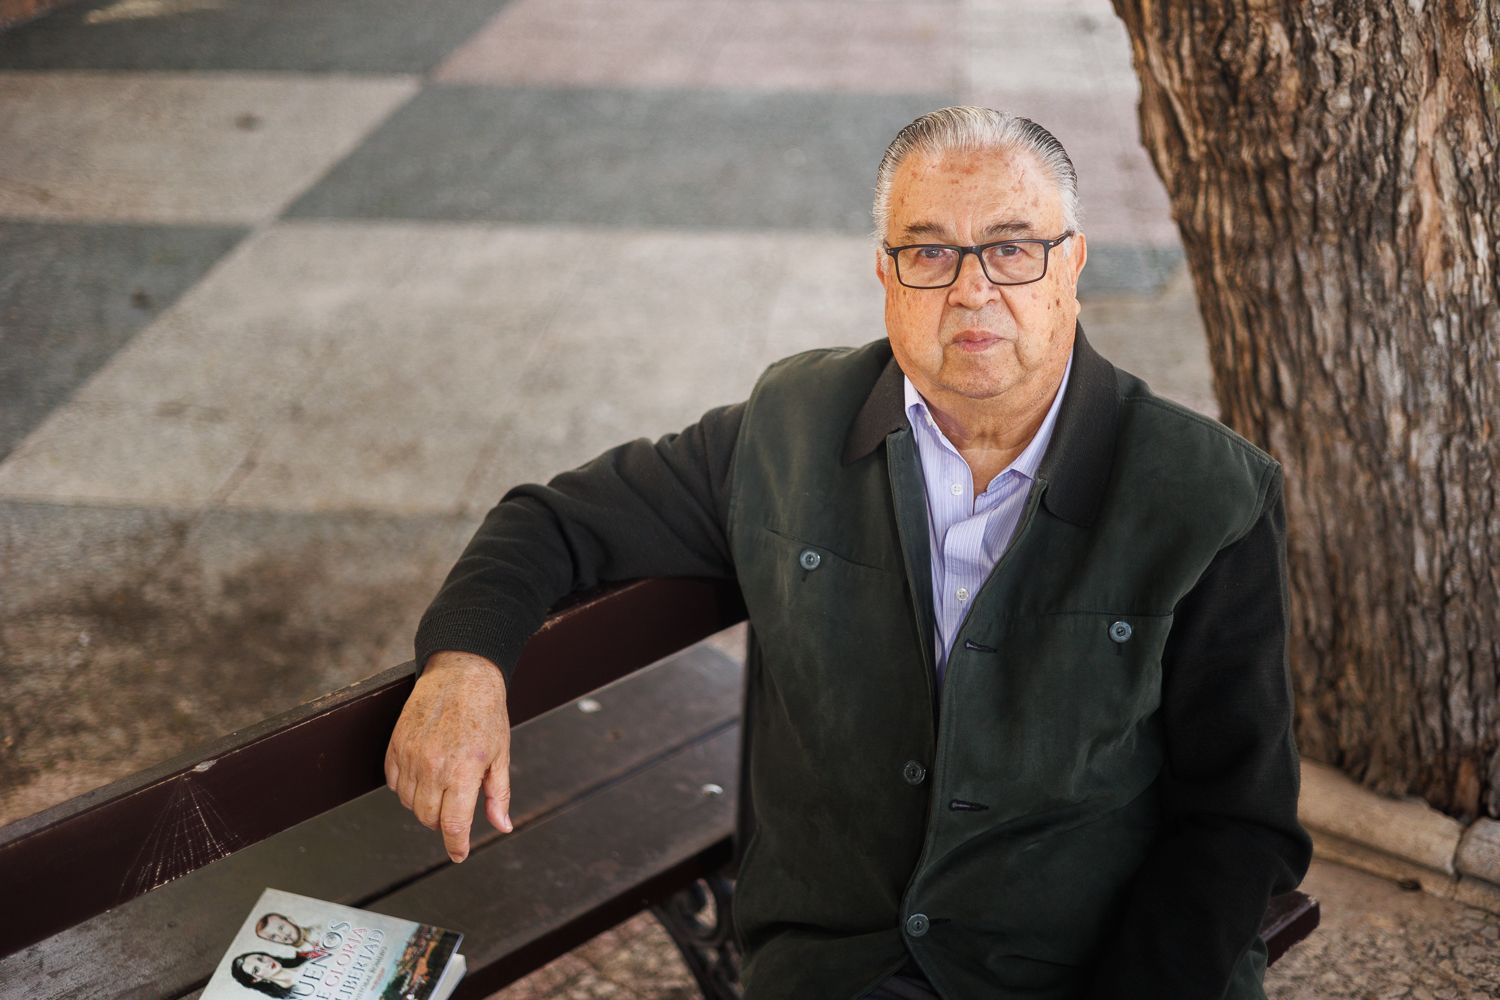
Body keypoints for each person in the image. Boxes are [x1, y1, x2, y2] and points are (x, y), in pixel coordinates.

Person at [385, 107, 1312, 999]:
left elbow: (1237, 822)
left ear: (1071, 264)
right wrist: (466, 664)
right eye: (929, 251)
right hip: (840, 965)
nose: (972, 287)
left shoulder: (1209, 496)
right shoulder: (790, 426)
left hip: (1082, 966)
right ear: (886, 274)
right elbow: (555, 519)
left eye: (1013, 246)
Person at [230, 951, 308, 998]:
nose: (265, 964)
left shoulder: (306, 958)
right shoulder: (291, 996)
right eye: (256, 969)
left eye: (260, 959)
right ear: (255, 979)